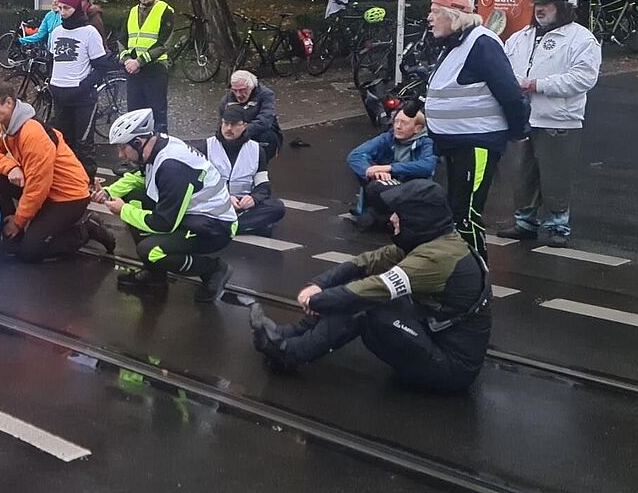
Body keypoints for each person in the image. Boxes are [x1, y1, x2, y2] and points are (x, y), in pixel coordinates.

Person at [250, 180, 492, 392]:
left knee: (366, 306)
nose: (392, 219)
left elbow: (375, 288)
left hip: (450, 369)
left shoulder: (436, 257)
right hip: (433, 334)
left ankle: (288, 353)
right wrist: (318, 285)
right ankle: (287, 335)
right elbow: (365, 262)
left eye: (399, 213)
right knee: (354, 290)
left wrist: (317, 300)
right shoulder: (433, 239)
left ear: (418, 218)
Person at [424, 0, 528, 258]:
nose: (429, 18)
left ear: (453, 16)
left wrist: (518, 131)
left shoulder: (482, 43)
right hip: (456, 143)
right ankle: (457, 271)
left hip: (477, 143)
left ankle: (475, 279)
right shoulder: (456, 42)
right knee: (455, 212)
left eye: (435, 12)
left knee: (466, 214)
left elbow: (510, 93)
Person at [496, 0, 601, 248]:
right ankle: (525, 222)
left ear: (563, 8)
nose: (540, 10)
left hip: (558, 119)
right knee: (521, 174)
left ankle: (558, 225)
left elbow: (583, 79)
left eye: (547, 6)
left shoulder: (581, 39)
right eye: (537, 6)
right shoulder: (521, 37)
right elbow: (503, 67)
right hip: (522, 118)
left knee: (556, 176)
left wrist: (536, 85)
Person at [96, 109, 235, 302]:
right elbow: (141, 176)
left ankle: (213, 269)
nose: (120, 155)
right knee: (133, 196)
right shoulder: (155, 145)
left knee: (150, 250)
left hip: (214, 226)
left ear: (137, 142)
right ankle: (155, 274)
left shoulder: (172, 168)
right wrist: (109, 191)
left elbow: (163, 223)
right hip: (190, 214)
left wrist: (123, 210)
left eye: (122, 148)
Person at [0, 81, 113, 262]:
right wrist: (11, 167)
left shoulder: (31, 133)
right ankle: (8, 230)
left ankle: (86, 228)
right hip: (45, 191)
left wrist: (19, 221)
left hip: (69, 197)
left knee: (30, 252)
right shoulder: (1, 127)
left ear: (8, 103)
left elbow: (38, 185)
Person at [47, 0, 112, 178]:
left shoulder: (89, 32)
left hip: (82, 97)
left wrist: (84, 86)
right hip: (60, 95)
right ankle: (67, 180)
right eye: (60, 8)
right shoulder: (57, 32)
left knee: (83, 143)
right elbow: (52, 60)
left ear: (76, 8)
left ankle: (87, 181)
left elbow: (101, 66)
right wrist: (51, 82)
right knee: (63, 142)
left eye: (67, 8)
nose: (63, 12)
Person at [346, 106, 435, 226]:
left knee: (376, 188)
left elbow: (427, 166)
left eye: (404, 123)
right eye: (396, 121)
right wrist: (370, 171)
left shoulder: (426, 142)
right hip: (391, 185)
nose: (398, 126)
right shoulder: (388, 137)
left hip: (412, 190)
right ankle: (386, 217)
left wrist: (389, 168)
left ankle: (386, 217)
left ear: (417, 128)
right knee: (374, 181)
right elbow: (355, 155)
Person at [208, 102, 286, 237]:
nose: (228, 128)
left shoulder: (256, 150)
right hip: (216, 204)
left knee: (277, 207)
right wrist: (224, 198)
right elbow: (200, 186)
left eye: (233, 125)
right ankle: (245, 226)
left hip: (243, 206)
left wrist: (253, 199)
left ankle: (228, 227)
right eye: (225, 124)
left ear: (244, 126)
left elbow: (263, 185)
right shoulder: (207, 147)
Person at [121, 0, 174, 133]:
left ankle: (159, 149)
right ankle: (136, 151)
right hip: (133, 71)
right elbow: (122, 40)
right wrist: (127, 60)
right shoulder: (132, 11)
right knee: (134, 115)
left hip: (155, 70)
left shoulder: (165, 10)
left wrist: (139, 62)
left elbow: (164, 43)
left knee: (157, 114)